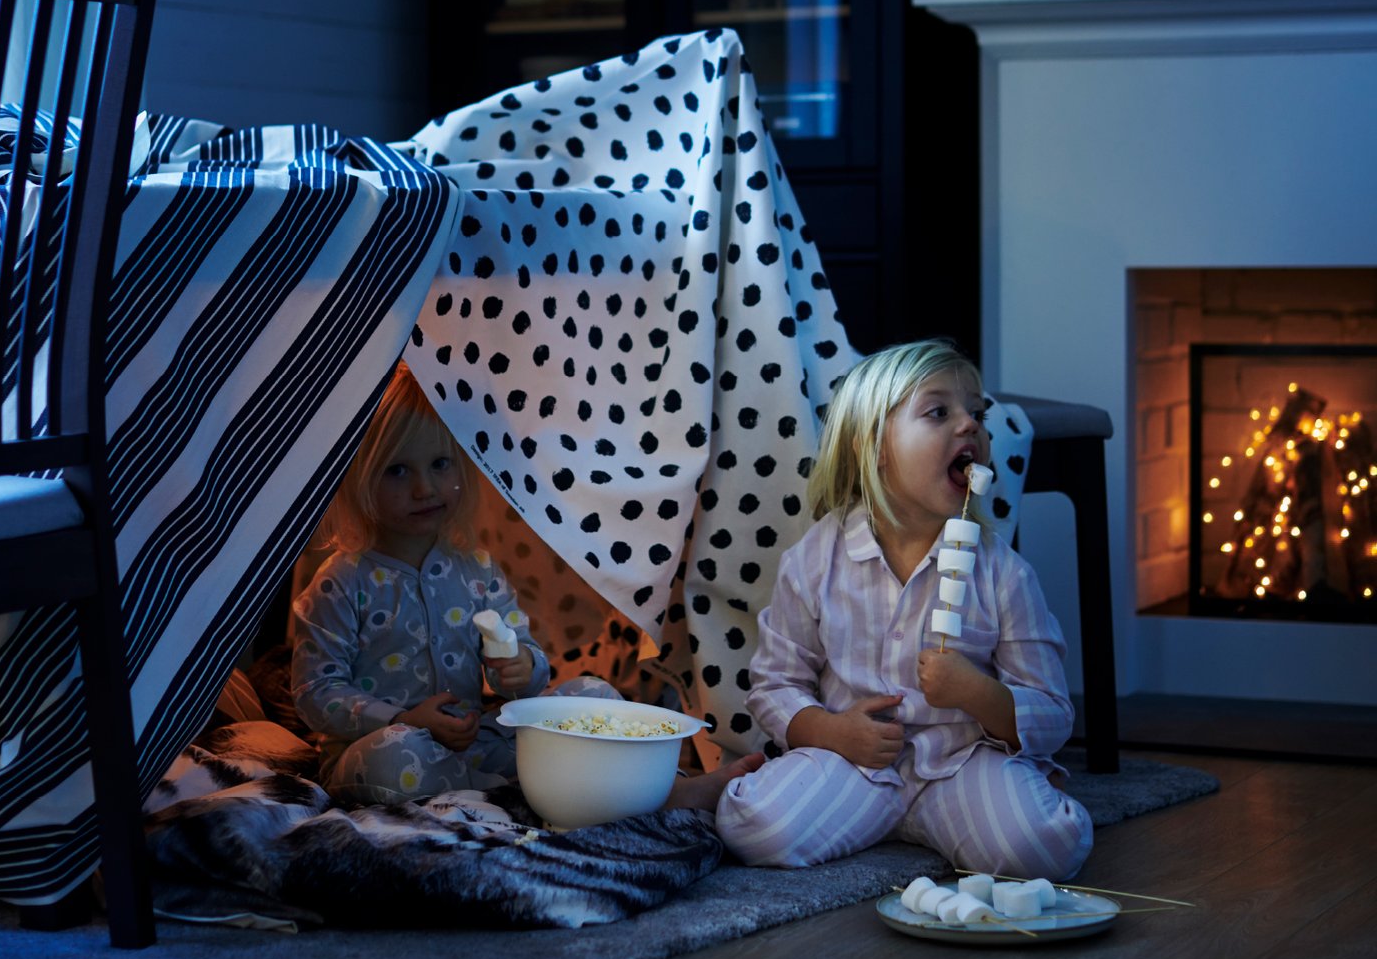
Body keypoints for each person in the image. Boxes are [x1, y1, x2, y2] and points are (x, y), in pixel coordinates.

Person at [293, 360, 760, 810]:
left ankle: (661, 788)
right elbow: (315, 692)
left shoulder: (475, 570)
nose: (424, 488)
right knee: (395, 757)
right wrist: (400, 719)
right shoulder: (342, 582)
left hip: (477, 742)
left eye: (440, 464)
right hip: (387, 752)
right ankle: (531, 790)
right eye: (398, 470)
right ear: (358, 480)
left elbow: (532, 675)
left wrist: (517, 666)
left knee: (591, 695)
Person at [715, 339, 1092, 879]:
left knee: (1048, 845)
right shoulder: (816, 560)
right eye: (939, 412)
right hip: (856, 765)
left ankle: (977, 811)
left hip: (963, 764)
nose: (970, 426)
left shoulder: (1003, 573)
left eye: (977, 413)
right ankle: (880, 819)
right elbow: (774, 685)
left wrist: (976, 692)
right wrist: (830, 732)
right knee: (750, 822)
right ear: (875, 447)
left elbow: (1053, 712)